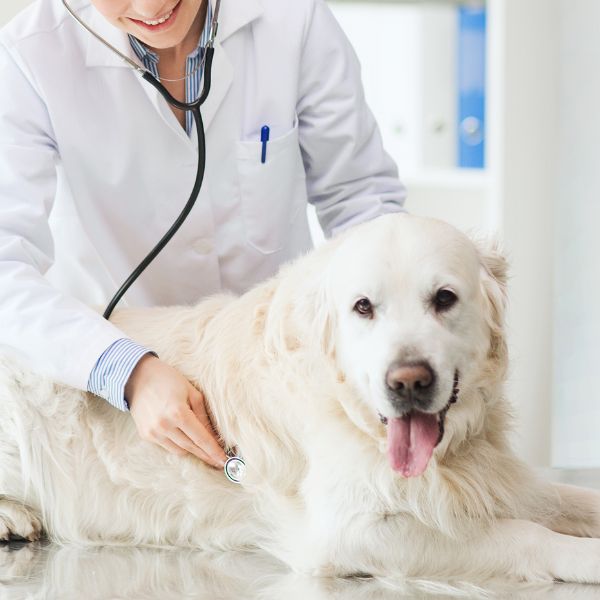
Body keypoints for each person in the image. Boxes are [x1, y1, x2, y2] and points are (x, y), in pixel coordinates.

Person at [0, 0, 405, 469]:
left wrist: (388, 341)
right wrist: (126, 370)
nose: (152, 6)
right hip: (116, 391)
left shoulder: (294, 17)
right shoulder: (28, 57)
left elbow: (359, 198)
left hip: (281, 373)